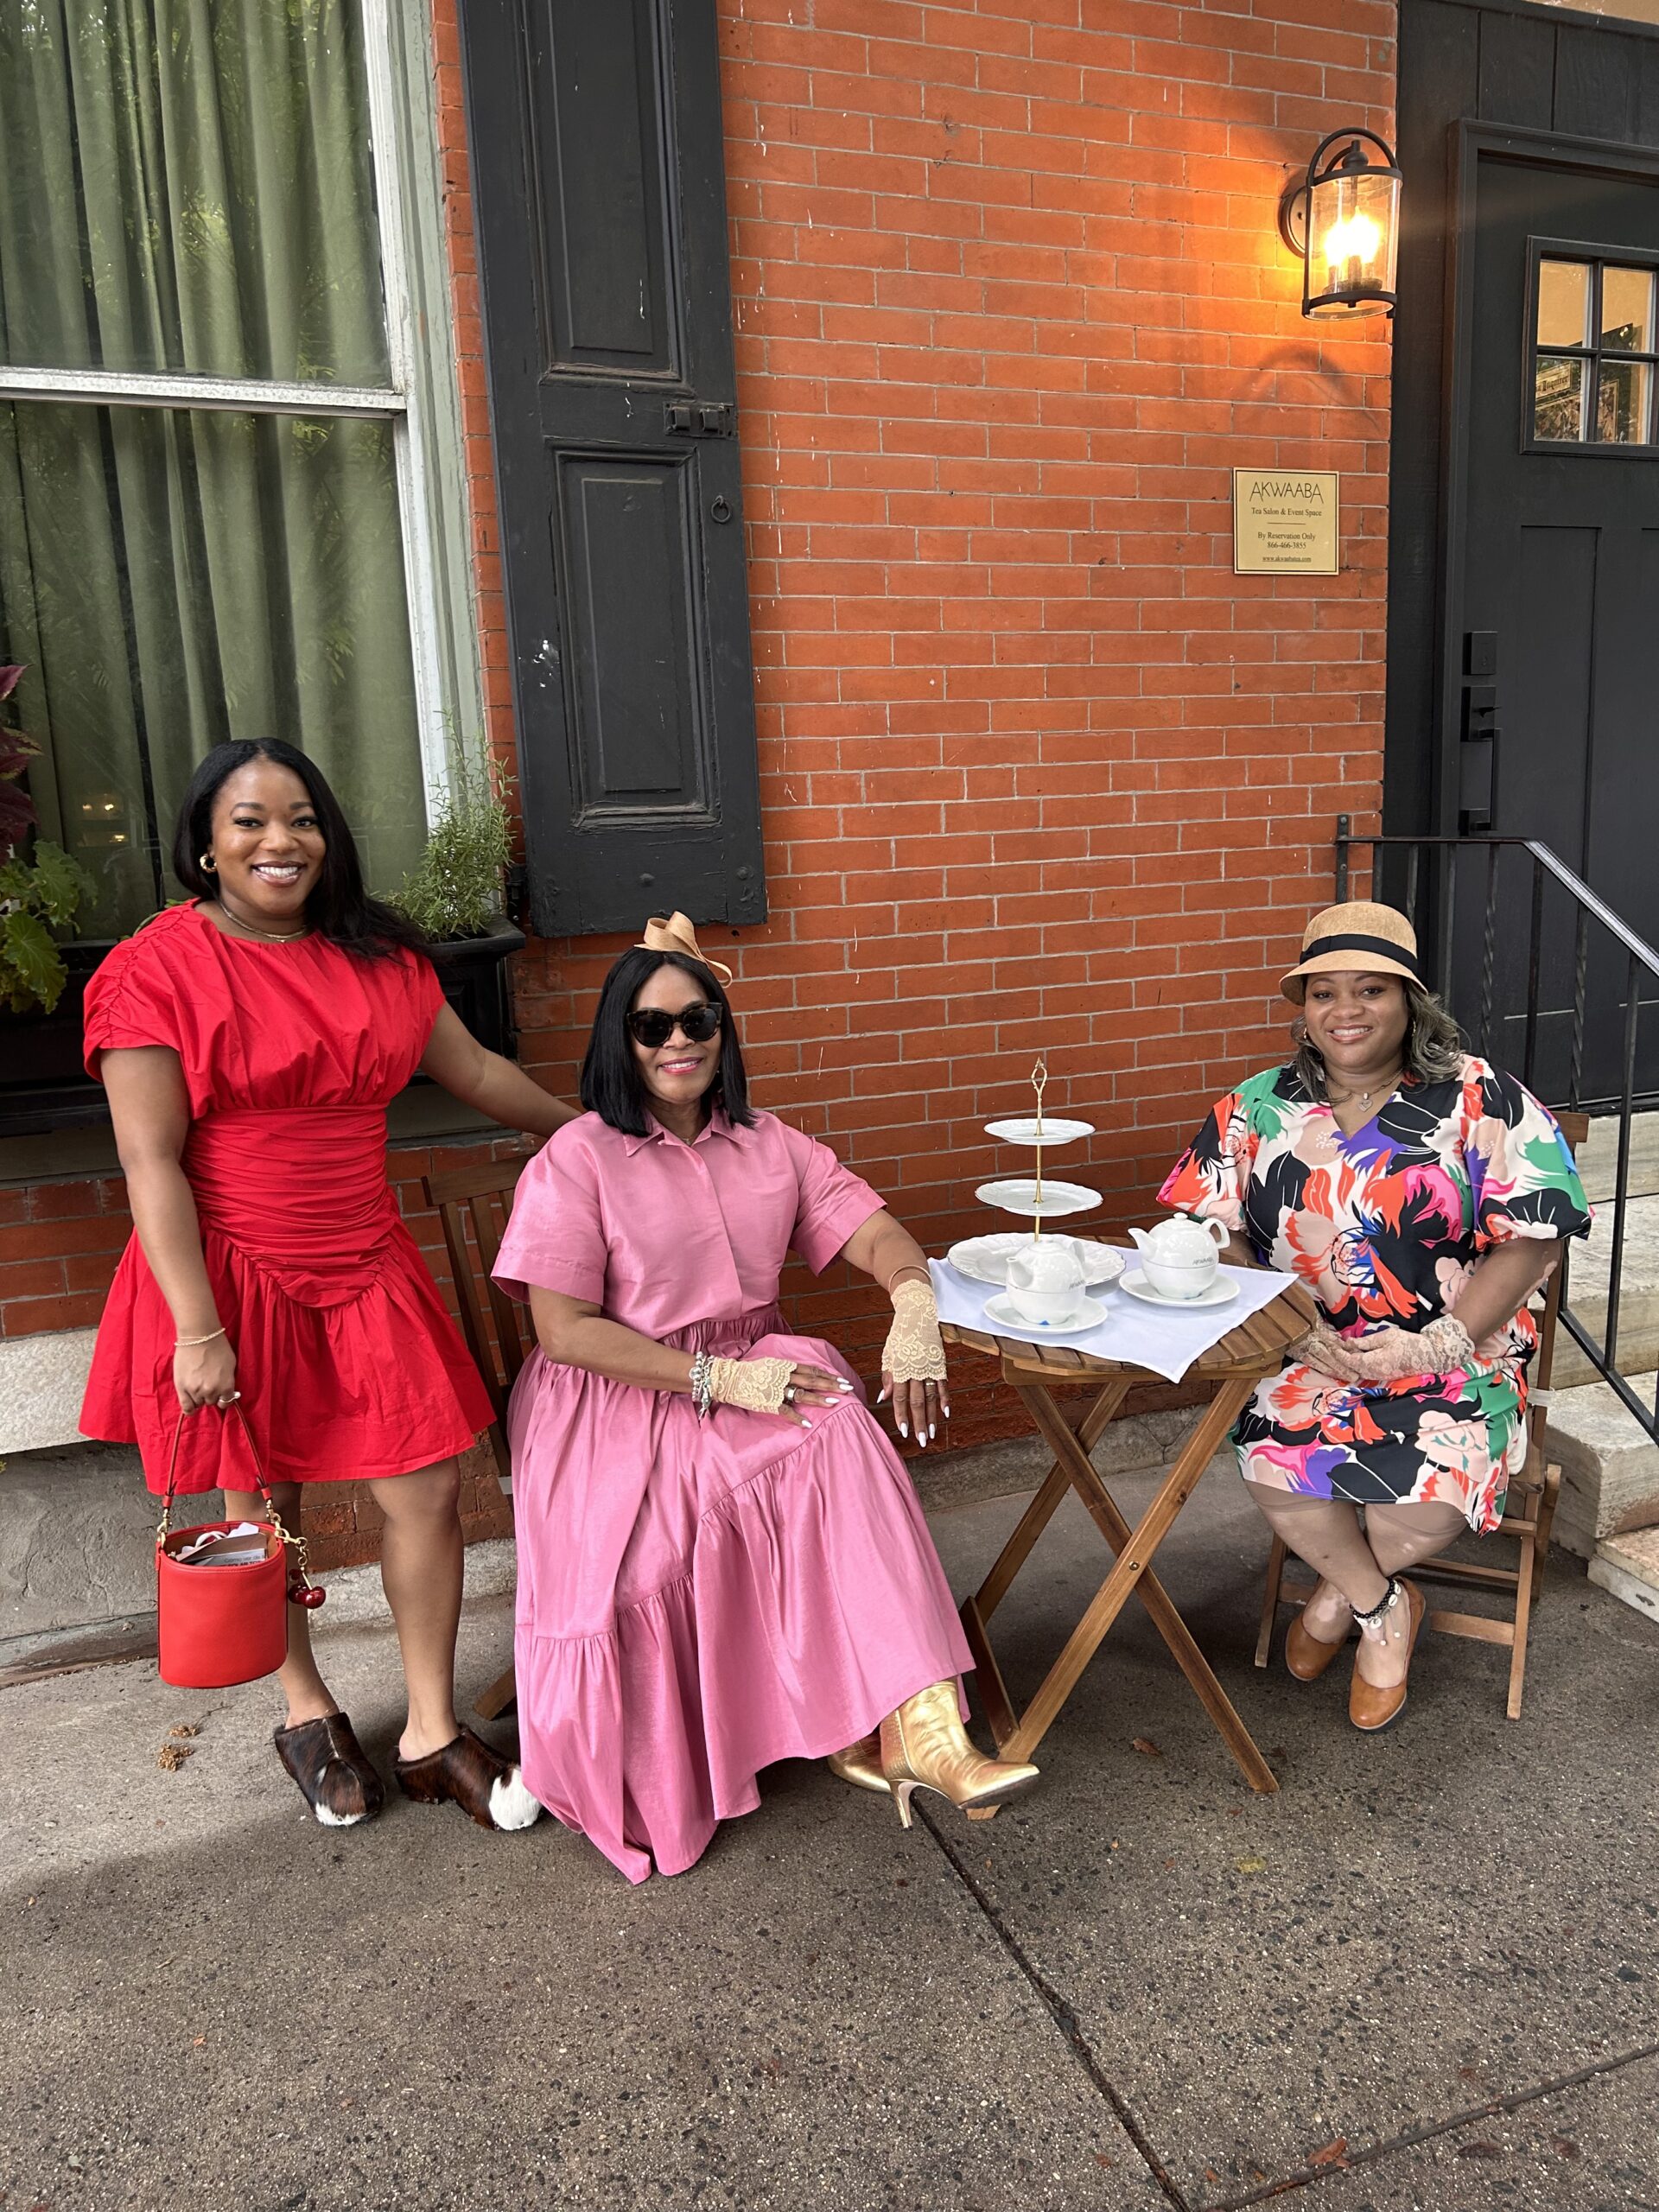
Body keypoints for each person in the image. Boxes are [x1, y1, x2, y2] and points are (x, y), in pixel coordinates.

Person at [80, 738, 582, 1829]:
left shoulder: (377, 956)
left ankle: (431, 1730)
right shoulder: (155, 969)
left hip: (365, 1259)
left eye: (301, 817)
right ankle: (307, 1712)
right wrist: (196, 1328)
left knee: (429, 1493)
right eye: (250, 819)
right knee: (265, 1506)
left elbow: (478, 1071)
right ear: (205, 845)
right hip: (229, 1273)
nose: (279, 840)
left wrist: (595, 1136)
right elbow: (148, 1161)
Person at [491, 913, 1038, 1882]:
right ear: (619, 1038)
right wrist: (716, 1378)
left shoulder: (769, 1143)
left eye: (698, 1019)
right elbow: (567, 1331)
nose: (679, 1041)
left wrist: (913, 1304)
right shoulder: (576, 1158)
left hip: (752, 1374)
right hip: (617, 1397)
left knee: (832, 1416)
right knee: (795, 1448)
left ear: (723, 1031)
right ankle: (880, 1723)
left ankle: (921, 1724)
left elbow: (878, 1234)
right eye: (652, 1025)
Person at [1159, 900, 1591, 1731]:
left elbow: (1533, 1242)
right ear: (1304, 1009)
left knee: (1426, 1498)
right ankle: (1381, 1608)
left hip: (1457, 1352)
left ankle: (1331, 1602)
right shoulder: (1258, 1105)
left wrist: (1444, 1338)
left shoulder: (1480, 1097)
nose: (1345, 1011)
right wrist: (1290, 1325)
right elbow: (1211, 1229)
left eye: (1370, 990)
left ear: (1411, 1004)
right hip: (1308, 1353)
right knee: (1271, 1460)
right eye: (1324, 992)